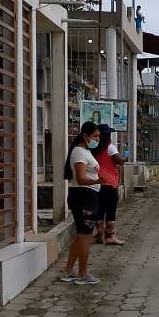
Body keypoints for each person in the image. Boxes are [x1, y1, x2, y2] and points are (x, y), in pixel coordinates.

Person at [61, 122, 102, 285]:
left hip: (86, 195)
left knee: (81, 235)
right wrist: (99, 180)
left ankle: (68, 271)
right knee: (86, 236)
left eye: (99, 136)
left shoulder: (85, 151)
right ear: (85, 136)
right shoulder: (79, 152)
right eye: (95, 136)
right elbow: (81, 178)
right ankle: (82, 274)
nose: (97, 139)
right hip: (84, 196)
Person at [92, 124, 125, 245]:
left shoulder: (94, 149)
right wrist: (125, 159)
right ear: (108, 136)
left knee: (100, 209)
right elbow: (119, 160)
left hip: (97, 182)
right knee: (110, 210)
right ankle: (110, 236)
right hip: (110, 182)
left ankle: (100, 233)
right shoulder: (110, 148)